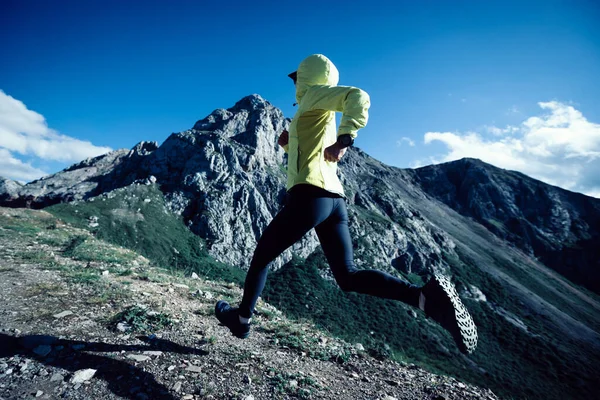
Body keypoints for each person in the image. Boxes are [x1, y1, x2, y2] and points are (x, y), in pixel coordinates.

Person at [215, 54, 477, 354]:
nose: (295, 83)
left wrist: (345, 140)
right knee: (348, 276)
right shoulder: (314, 109)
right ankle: (424, 298)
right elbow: (310, 153)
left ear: (309, 77)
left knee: (262, 257)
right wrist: (288, 144)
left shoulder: (315, 96)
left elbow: (359, 96)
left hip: (311, 197)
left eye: (297, 77)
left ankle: (241, 320)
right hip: (332, 201)